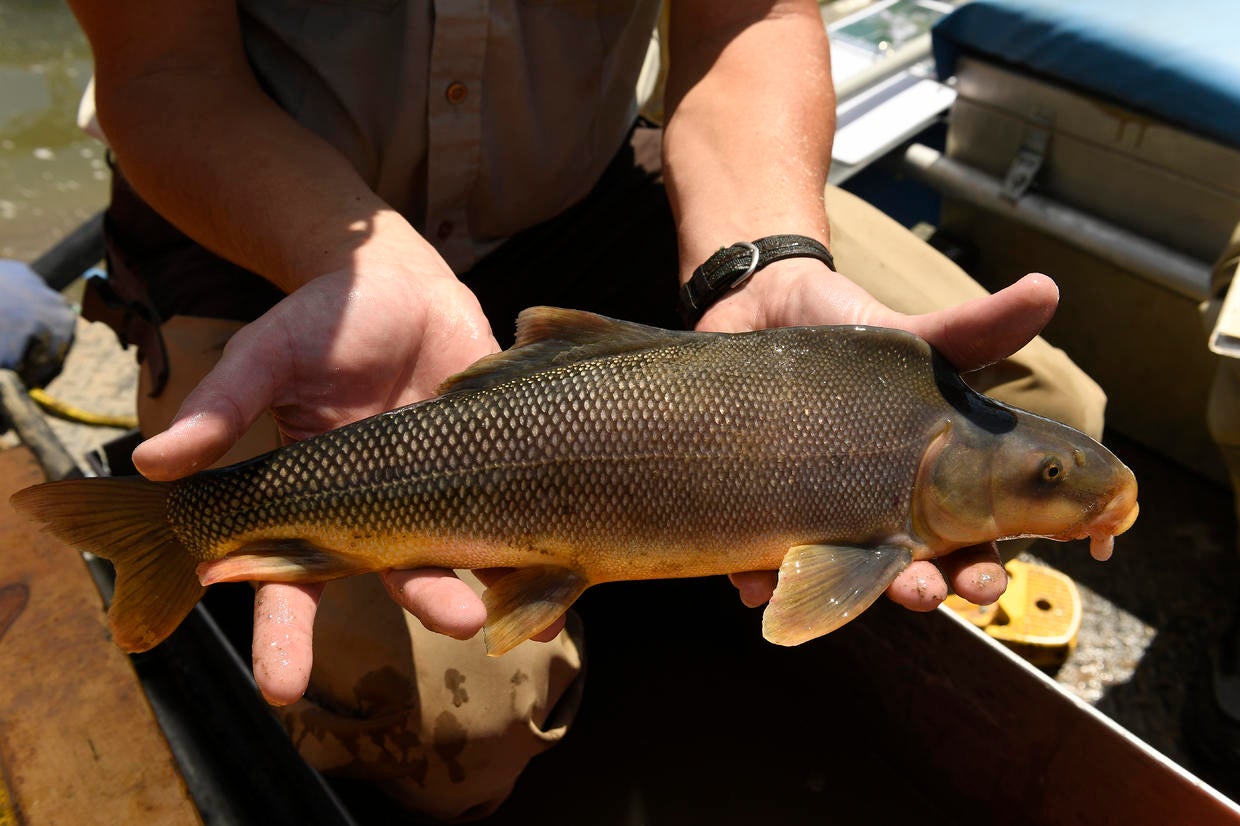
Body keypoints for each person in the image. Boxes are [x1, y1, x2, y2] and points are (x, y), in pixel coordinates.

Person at [70, 0, 1105, 819]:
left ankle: (661, 552)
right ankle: (200, 530)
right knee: (456, 751)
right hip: (261, 228)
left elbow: (747, 23)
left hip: (574, 191)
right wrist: (372, 264)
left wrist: (766, 258)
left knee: (1046, 399)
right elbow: (165, 75)